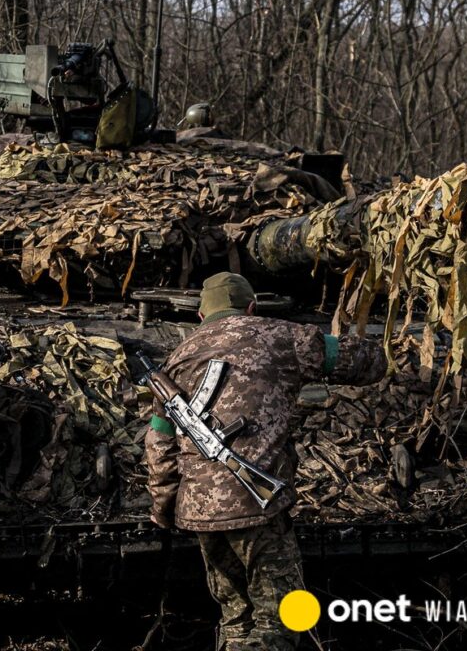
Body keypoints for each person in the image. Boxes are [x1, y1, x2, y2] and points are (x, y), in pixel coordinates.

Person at [144, 272, 385, 650]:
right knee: (284, 619)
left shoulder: (176, 359)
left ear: (201, 317)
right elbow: (366, 363)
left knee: (236, 620)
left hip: (201, 513)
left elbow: (159, 447)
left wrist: (163, 508)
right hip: (257, 503)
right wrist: (380, 348)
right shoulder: (283, 336)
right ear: (252, 306)